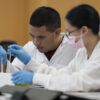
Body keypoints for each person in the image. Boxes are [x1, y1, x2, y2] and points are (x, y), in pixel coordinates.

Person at [10, 4, 100, 92]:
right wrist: (30, 62)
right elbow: (62, 74)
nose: (67, 36)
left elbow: (77, 82)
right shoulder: (82, 52)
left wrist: (35, 78)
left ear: (84, 30)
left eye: (69, 32)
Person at [6, 6, 77, 72]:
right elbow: (13, 74)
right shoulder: (30, 48)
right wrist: (3, 63)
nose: (35, 42)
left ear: (57, 32)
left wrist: (30, 63)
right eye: (32, 36)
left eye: (41, 37)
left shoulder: (75, 49)